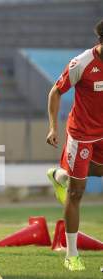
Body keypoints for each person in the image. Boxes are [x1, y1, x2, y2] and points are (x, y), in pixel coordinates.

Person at [46, 19, 103, 271]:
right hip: (80, 135)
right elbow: (55, 92)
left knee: (97, 173)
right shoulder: (82, 63)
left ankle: (61, 174)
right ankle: (71, 254)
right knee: (77, 192)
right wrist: (53, 127)